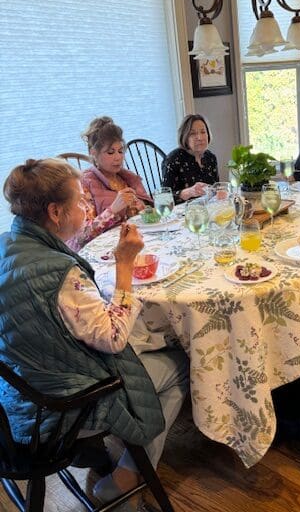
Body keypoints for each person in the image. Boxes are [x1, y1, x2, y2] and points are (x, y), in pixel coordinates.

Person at [0, 158, 189, 502]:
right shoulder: (60, 273)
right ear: (55, 212)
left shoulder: (7, 245)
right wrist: (125, 264)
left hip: (18, 390)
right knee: (181, 364)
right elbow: (113, 338)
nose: (87, 207)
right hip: (59, 407)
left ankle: (109, 452)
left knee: (145, 340)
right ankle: (127, 478)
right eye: (80, 201)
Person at [67, 116, 152, 251]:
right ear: (93, 153)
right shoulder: (84, 184)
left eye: (120, 151)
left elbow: (144, 216)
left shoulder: (127, 178)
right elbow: (81, 236)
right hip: (100, 252)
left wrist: (142, 207)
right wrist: (113, 210)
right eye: (110, 152)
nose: (118, 157)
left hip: (130, 244)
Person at [162, 113, 219, 203]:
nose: (199, 138)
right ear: (184, 137)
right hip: (183, 210)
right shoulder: (173, 160)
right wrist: (188, 192)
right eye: (193, 133)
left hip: (208, 207)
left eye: (203, 132)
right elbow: (164, 199)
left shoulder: (211, 158)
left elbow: (215, 188)